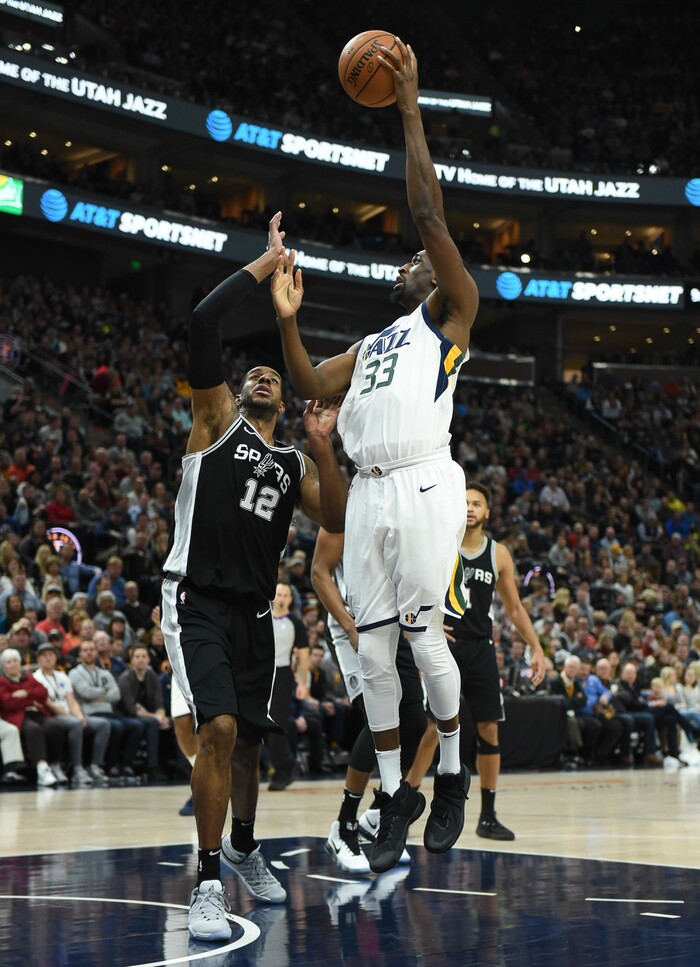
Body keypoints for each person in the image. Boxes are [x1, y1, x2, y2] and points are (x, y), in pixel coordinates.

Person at [273, 39, 479, 875]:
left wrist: (407, 107)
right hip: (368, 495)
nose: (420, 255)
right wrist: (287, 316)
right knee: (373, 654)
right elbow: (306, 381)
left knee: (428, 644)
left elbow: (429, 216)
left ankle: (455, 777)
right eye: (414, 260)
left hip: (428, 475)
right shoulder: (371, 341)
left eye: (427, 254)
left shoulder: (452, 312)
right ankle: (397, 793)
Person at [159, 211, 347, 942]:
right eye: (255, 372)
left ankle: (242, 843)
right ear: (240, 393)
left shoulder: (295, 462)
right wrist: (268, 266)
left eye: (275, 373)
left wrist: (325, 448)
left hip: (254, 614)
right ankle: (207, 879)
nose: (265, 373)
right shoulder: (214, 423)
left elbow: (334, 517)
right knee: (221, 727)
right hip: (197, 596)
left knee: (250, 746)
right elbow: (205, 322)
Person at [311, 527, 427, 875]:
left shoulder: (399, 506)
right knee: (376, 720)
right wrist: (349, 627)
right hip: (354, 626)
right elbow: (319, 572)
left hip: (394, 622)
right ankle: (343, 826)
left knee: (416, 723)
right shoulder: (340, 515)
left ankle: (377, 817)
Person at [441, 483, 546, 840]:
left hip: (482, 647)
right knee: (431, 729)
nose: (469, 508)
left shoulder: (498, 554)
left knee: (490, 729)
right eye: (464, 502)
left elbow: (514, 608)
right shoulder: (442, 542)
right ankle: (405, 808)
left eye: (476, 503)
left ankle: (487, 816)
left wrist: (537, 647)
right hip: (446, 646)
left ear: (488, 513)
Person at [32, 640, 112, 786]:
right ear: (38, 659)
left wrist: (80, 716)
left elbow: (72, 700)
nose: (48, 658)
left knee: (103, 724)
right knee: (76, 724)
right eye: (44, 655)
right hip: (52, 716)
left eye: (51, 654)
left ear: (56, 657)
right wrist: (73, 718)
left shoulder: (62, 676)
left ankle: (95, 766)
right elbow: (48, 704)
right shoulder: (36, 678)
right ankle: (77, 769)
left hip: (71, 714)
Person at [267, 582, 308, 791]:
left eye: (285, 595)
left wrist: (302, 682)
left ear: (291, 599)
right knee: (260, 726)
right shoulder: (262, 617)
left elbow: (303, 653)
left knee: (276, 725)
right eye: (279, 594)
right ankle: (288, 764)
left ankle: (283, 769)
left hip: (283, 676)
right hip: (262, 675)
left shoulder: (295, 622)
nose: (281, 598)